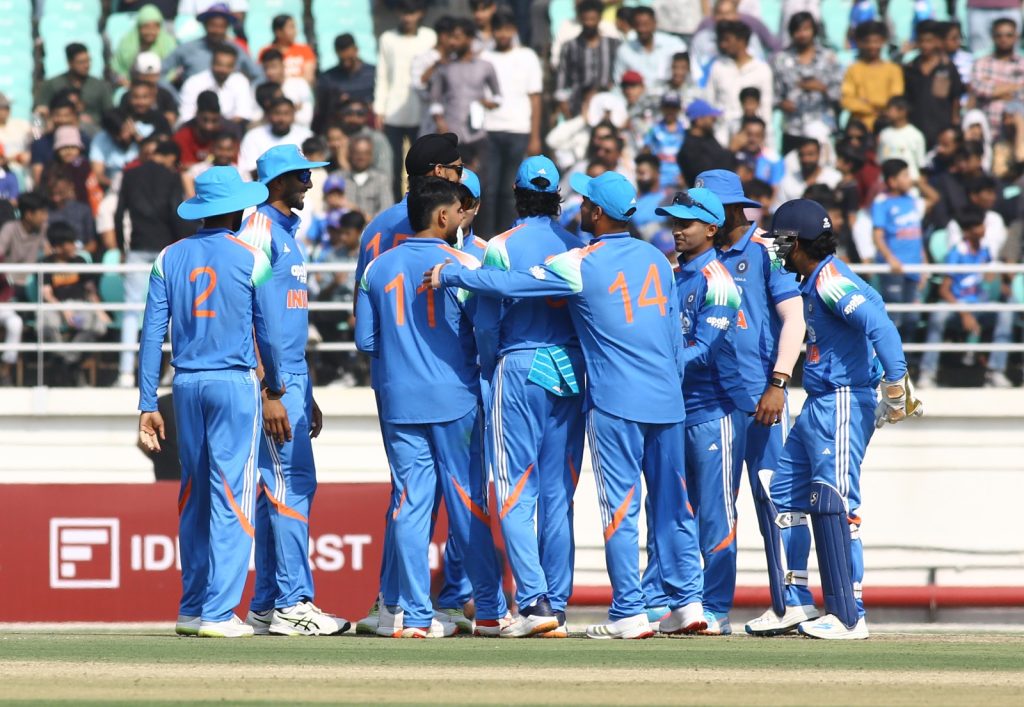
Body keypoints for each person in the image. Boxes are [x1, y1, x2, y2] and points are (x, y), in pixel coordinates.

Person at [428, 171, 707, 639]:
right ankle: (684, 602)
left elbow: (507, 291)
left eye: (587, 202)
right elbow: (673, 336)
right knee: (658, 502)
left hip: (580, 384)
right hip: (645, 391)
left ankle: (564, 605)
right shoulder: (657, 259)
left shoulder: (572, 258)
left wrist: (452, 275)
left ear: (596, 211)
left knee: (540, 494)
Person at [355, 177, 508, 639]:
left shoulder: (377, 267)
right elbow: (487, 332)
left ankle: (415, 616)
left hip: (400, 401)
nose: (463, 218)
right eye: (460, 211)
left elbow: (366, 340)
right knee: (467, 503)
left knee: (409, 504)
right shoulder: (465, 264)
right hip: (455, 398)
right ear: (443, 216)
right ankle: (490, 610)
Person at [137, 166, 284, 639]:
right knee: (233, 496)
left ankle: (192, 607)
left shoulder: (168, 257)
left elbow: (151, 335)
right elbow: (269, 333)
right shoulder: (251, 256)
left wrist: (147, 402)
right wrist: (275, 386)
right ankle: (219, 613)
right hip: (234, 383)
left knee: (194, 495)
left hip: (185, 385)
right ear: (237, 210)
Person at [764, 198, 921, 639]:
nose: (776, 250)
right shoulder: (817, 277)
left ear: (797, 242)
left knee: (836, 502)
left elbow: (880, 325)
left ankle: (850, 614)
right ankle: (796, 600)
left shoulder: (831, 282)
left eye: (781, 242)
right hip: (820, 399)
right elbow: (874, 308)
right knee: (785, 493)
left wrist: (896, 383)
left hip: (843, 399)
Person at [458, 156, 586, 638]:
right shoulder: (577, 246)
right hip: (569, 369)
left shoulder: (500, 246)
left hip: (519, 364)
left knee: (515, 489)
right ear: (556, 198)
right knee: (559, 493)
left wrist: (491, 366)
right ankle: (558, 603)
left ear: (516, 195)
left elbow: (486, 323)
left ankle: (533, 601)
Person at [229, 145, 349, 636]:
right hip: (273, 384)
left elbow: (287, 321)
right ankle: (293, 603)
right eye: (302, 175)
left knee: (277, 490)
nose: (310, 183)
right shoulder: (258, 231)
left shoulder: (285, 233)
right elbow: (244, 315)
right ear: (277, 182)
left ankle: (266, 603)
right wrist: (269, 390)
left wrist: (306, 388)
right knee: (290, 486)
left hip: (292, 379)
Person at [692, 170, 806, 637]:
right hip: (711, 400)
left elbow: (794, 319)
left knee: (775, 500)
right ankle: (713, 608)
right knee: (715, 507)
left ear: (730, 210)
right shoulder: (701, 254)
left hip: (761, 399)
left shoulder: (766, 251)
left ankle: (792, 601)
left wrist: (778, 382)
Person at [639, 188, 743, 635]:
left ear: (712, 229)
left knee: (716, 513)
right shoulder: (672, 274)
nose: (676, 230)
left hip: (712, 410)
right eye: (674, 222)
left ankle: (714, 605)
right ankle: (658, 600)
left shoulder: (718, 280)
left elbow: (703, 349)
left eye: (686, 223)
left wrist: (652, 364)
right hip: (673, 409)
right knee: (664, 506)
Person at [116, 140, 190, 388]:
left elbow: (119, 213)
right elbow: (175, 212)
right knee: (172, 309)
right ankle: (174, 370)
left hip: (137, 246)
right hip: (165, 248)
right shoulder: (171, 177)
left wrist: (121, 248)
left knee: (131, 310)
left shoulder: (130, 175)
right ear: (169, 157)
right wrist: (182, 245)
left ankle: (125, 373)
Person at [918, 207, 1015, 389]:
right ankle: (927, 372)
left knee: (1006, 312)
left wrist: (1001, 285)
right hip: (957, 306)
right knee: (938, 316)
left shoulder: (985, 250)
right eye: (978, 226)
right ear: (967, 231)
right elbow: (944, 290)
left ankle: (996, 371)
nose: (983, 229)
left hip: (980, 305)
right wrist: (964, 314)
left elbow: (988, 278)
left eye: (982, 225)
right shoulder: (956, 253)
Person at [480, 9, 544, 236]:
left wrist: (535, 136)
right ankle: (485, 239)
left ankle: (506, 237)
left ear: (515, 30)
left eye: (508, 29)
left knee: (510, 190)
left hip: (518, 130)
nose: (503, 34)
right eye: (499, 29)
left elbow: (535, 97)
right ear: (492, 31)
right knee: (488, 189)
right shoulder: (484, 57)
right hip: (489, 130)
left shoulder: (527, 56)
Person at [374, 0, 437, 201]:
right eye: (404, 12)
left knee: (420, 165)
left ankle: (420, 204)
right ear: (398, 13)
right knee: (393, 166)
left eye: (412, 12)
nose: (408, 17)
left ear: (420, 13)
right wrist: (379, 109)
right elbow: (382, 75)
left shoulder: (429, 37)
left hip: (421, 112)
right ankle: (396, 205)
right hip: (392, 112)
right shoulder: (387, 38)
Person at [38, 222, 110, 386]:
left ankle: (67, 360)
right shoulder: (46, 263)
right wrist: (63, 310)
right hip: (56, 307)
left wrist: (100, 311)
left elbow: (90, 290)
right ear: (58, 246)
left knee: (97, 325)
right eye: (69, 243)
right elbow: (46, 294)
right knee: (46, 323)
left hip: (79, 308)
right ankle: (70, 364)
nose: (73, 246)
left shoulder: (80, 261)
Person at [428, 19, 501, 168]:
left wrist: (489, 103)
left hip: (477, 135)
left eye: (457, 37)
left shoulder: (485, 66)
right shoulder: (444, 68)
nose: (452, 42)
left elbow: (498, 97)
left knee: (479, 179)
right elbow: (435, 101)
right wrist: (440, 122)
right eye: (451, 37)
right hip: (452, 135)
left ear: (469, 39)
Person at [871, 158, 927, 343]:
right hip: (894, 269)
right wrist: (890, 259)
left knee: (912, 317)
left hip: (914, 268)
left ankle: (907, 356)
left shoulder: (911, 200)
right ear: (892, 181)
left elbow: (934, 199)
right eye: (905, 175)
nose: (910, 179)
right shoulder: (882, 202)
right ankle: (888, 358)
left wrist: (924, 263)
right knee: (893, 316)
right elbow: (877, 236)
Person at [773, 12, 843, 156]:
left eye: (806, 29)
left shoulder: (829, 58)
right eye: (797, 30)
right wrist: (781, 103)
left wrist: (822, 89)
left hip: (822, 126)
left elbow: (839, 94)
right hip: (792, 128)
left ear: (814, 31)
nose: (802, 34)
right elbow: (773, 94)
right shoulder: (781, 59)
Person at [706, 20, 773, 147]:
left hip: (752, 139)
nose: (723, 45)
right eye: (722, 40)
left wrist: (768, 144)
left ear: (741, 41)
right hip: (722, 137)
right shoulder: (718, 67)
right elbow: (710, 103)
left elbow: (766, 110)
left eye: (727, 40)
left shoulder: (762, 70)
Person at [554, 1, 622, 120]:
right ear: (580, 19)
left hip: (608, 106)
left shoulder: (614, 44)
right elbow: (562, 80)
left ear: (600, 18)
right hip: (577, 106)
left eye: (593, 19)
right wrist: (566, 111)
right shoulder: (569, 46)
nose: (589, 23)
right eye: (586, 20)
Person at [162, 3, 261, 84]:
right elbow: (160, 72)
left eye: (221, 26)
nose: (217, 30)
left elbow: (258, 75)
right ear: (205, 25)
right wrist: (172, 96)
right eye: (212, 25)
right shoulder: (187, 48)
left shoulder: (237, 50)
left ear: (227, 27)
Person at [904, 20, 965, 149]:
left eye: (929, 41)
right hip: (914, 131)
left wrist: (953, 127)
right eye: (921, 41)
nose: (925, 45)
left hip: (941, 132)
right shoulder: (910, 69)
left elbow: (955, 99)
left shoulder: (948, 68)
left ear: (938, 41)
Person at [840, 21, 904, 131]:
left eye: (876, 41)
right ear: (860, 43)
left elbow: (895, 99)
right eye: (867, 42)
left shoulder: (894, 70)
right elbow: (847, 100)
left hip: (886, 125)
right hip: (860, 127)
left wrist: (866, 102)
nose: (872, 46)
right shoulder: (853, 70)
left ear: (883, 41)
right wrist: (875, 108)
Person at [35, 43, 114, 129]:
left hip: (93, 130)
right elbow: (40, 110)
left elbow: (110, 114)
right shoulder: (52, 85)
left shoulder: (100, 86)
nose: (86, 65)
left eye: (88, 61)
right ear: (70, 63)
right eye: (81, 62)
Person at [613, 6, 686, 96]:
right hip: (638, 99)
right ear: (633, 26)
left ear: (654, 24)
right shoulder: (624, 50)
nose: (642, 29)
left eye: (646, 24)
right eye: (639, 25)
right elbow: (619, 81)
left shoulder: (674, 44)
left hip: (669, 97)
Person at [179, 42, 257, 126]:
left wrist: (221, 128)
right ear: (211, 63)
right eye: (219, 65)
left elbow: (244, 114)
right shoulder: (193, 83)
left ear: (234, 67)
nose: (223, 70)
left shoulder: (240, 81)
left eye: (228, 66)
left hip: (231, 129)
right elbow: (186, 116)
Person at [970, 18, 1024, 137]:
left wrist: (993, 88)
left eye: (1009, 35)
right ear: (992, 37)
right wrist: (1014, 87)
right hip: (985, 130)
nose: (1004, 39)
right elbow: (979, 89)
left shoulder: (1022, 64)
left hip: (1014, 132)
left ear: (1016, 37)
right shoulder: (981, 63)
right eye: (999, 35)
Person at [313, 34, 376, 135]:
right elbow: (322, 110)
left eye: (349, 59)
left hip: (370, 128)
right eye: (342, 60)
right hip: (340, 130)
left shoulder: (373, 73)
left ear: (356, 50)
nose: (346, 64)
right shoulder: (328, 78)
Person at [238, 98, 311, 179]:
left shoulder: (306, 136)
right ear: (268, 115)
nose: (281, 119)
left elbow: (312, 166)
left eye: (286, 113)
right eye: (277, 113)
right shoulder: (253, 137)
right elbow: (248, 172)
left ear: (294, 115)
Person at [30, 94, 91, 189]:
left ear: (75, 116)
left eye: (67, 115)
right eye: (57, 115)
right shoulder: (40, 144)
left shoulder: (84, 140)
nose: (62, 120)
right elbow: (38, 176)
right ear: (50, 116)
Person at [110, 3, 177, 83]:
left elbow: (173, 72)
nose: (150, 32)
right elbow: (118, 69)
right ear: (139, 27)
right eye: (146, 27)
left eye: (155, 27)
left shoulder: (168, 44)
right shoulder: (127, 44)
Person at [677, 100, 734, 187]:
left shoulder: (709, 138)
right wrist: (731, 150)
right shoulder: (690, 148)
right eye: (710, 117)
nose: (714, 120)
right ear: (699, 120)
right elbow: (708, 175)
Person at [174, 91, 238, 169]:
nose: (209, 126)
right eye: (205, 120)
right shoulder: (182, 136)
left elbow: (234, 165)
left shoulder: (229, 133)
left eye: (214, 121)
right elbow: (182, 167)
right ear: (197, 115)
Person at [774, 139, 842, 209]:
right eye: (802, 155)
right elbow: (780, 208)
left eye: (810, 154)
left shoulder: (835, 178)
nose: (805, 159)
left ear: (819, 154)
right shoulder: (787, 181)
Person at [259, 49, 313, 129]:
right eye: (266, 68)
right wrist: (293, 109)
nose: (269, 72)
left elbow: (306, 117)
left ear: (283, 65)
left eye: (273, 67)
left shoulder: (300, 84)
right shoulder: (259, 88)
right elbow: (256, 118)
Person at [342, 136, 394, 218]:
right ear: (350, 154)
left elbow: (386, 209)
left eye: (366, 153)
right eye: (357, 153)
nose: (361, 157)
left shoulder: (381, 179)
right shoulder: (339, 178)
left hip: (374, 225)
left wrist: (366, 218)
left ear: (371, 155)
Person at [878, 97, 928, 181]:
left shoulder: (915, 135)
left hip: (910, 183)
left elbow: (921, 164)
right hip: (887, 183)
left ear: (902, 111)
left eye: (890, 109)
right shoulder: (884, 134)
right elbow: (880, 160)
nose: (887, 113)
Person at [258, 14, 317, 85]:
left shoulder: (305, 50)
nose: (295, 31)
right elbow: (263, 76)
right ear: (279, 32)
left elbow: (309, 77)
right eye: (291, 27)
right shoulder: (266, 52)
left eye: (294, 27)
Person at [644, 93, 686, 191]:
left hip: (679, 181)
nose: (670, 111)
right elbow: (646, 153)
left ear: (679, 109)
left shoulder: (685, 130)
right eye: (667, 107)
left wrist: (685, 175)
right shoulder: (654, 129)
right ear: (662, 108)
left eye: (674, 107)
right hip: (659, 181)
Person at [90, 110, 140, 189]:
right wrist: (116, 185)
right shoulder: (100, 139)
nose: (124, 136)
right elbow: (98, 175)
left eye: (126, 130)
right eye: (119, 134)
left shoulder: (144, 132)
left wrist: (138, 137)